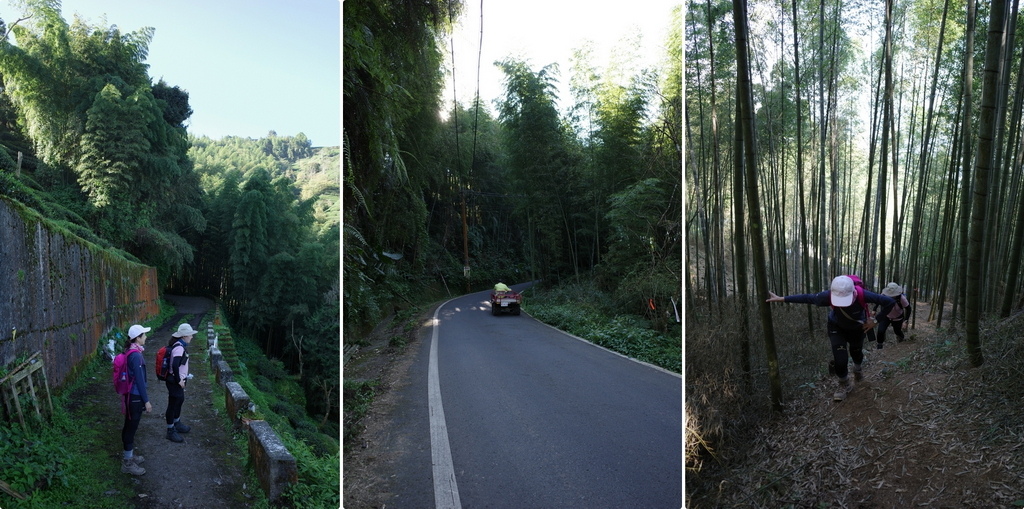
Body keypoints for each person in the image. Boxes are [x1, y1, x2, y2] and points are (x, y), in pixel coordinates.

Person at [766, 275, 896, 401]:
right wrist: (781, 298)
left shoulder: (863, 294)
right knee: (840, 358)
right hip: (836, 327)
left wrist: (875, 321)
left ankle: (857, 369)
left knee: (856, 353)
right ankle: (844, 383)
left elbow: (889, 302)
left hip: (857, 328)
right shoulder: (827, 296)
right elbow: (808, 298)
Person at [121, 324, 153, 475]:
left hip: (130, 395)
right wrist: (146, 401)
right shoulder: (136, 355)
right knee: (131, 427)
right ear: (138, 338)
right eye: (144, 335)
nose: (146, 337)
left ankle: (129, 455)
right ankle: (127, 463)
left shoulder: (131, 352)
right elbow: (140, 381)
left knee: (129, 425)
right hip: (135, 396)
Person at [165, 323, 197, 442]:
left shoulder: (180, 345)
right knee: (173, 404)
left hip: (177, 380)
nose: (191, 337)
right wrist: (179, 380)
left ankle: (176, 423)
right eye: (190, 335)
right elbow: (175, 365)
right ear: (184, 336)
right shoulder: (179, 347)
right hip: (175, 381)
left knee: (179, 400)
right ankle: (170, 430)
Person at [876, 282, 910, 348]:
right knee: (880, 331)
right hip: (886, 316)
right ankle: (879, 346)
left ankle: (901, 341)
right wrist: (874, 309)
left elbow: (908, 309)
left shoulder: (901, 298)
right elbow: (878, 300)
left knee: (897, 331)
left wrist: (905, 321)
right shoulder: (883, 295)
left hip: (897, 318)